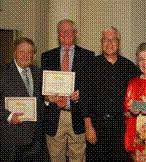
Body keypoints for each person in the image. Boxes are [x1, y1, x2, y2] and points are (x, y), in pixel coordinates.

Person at [0, 37, 49, 161]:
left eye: (29, 52)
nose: (26, 55)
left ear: (33, 55)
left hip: (35, 139)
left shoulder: (38, 73)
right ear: (15, 53)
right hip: (11, 138)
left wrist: (47, 100)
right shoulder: (1, 73)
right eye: (22, 52)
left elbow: (41, 99)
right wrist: (8, 116)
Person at [84, 27, 141, 161]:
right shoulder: (90, 65)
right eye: (105, 39)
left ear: (119, 43)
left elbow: (137, 97)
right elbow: (85, 98)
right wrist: (88, 126)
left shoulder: (129, 67)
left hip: (121, 127)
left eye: (113, 39)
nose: (109, 43)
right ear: (101, 42)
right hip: (96, 126)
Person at [41, 19, 95, 162]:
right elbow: (42, 88)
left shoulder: (88, 56)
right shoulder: (47, 56)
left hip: (77, 115)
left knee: (78, 158)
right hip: (54, 116)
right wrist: (47, 97)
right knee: (55, 158)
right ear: (58, 35)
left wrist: (81, 94)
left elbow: (91, 88)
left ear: (75, 33)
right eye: (62, 31)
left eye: (69, 30)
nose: (66, 33)